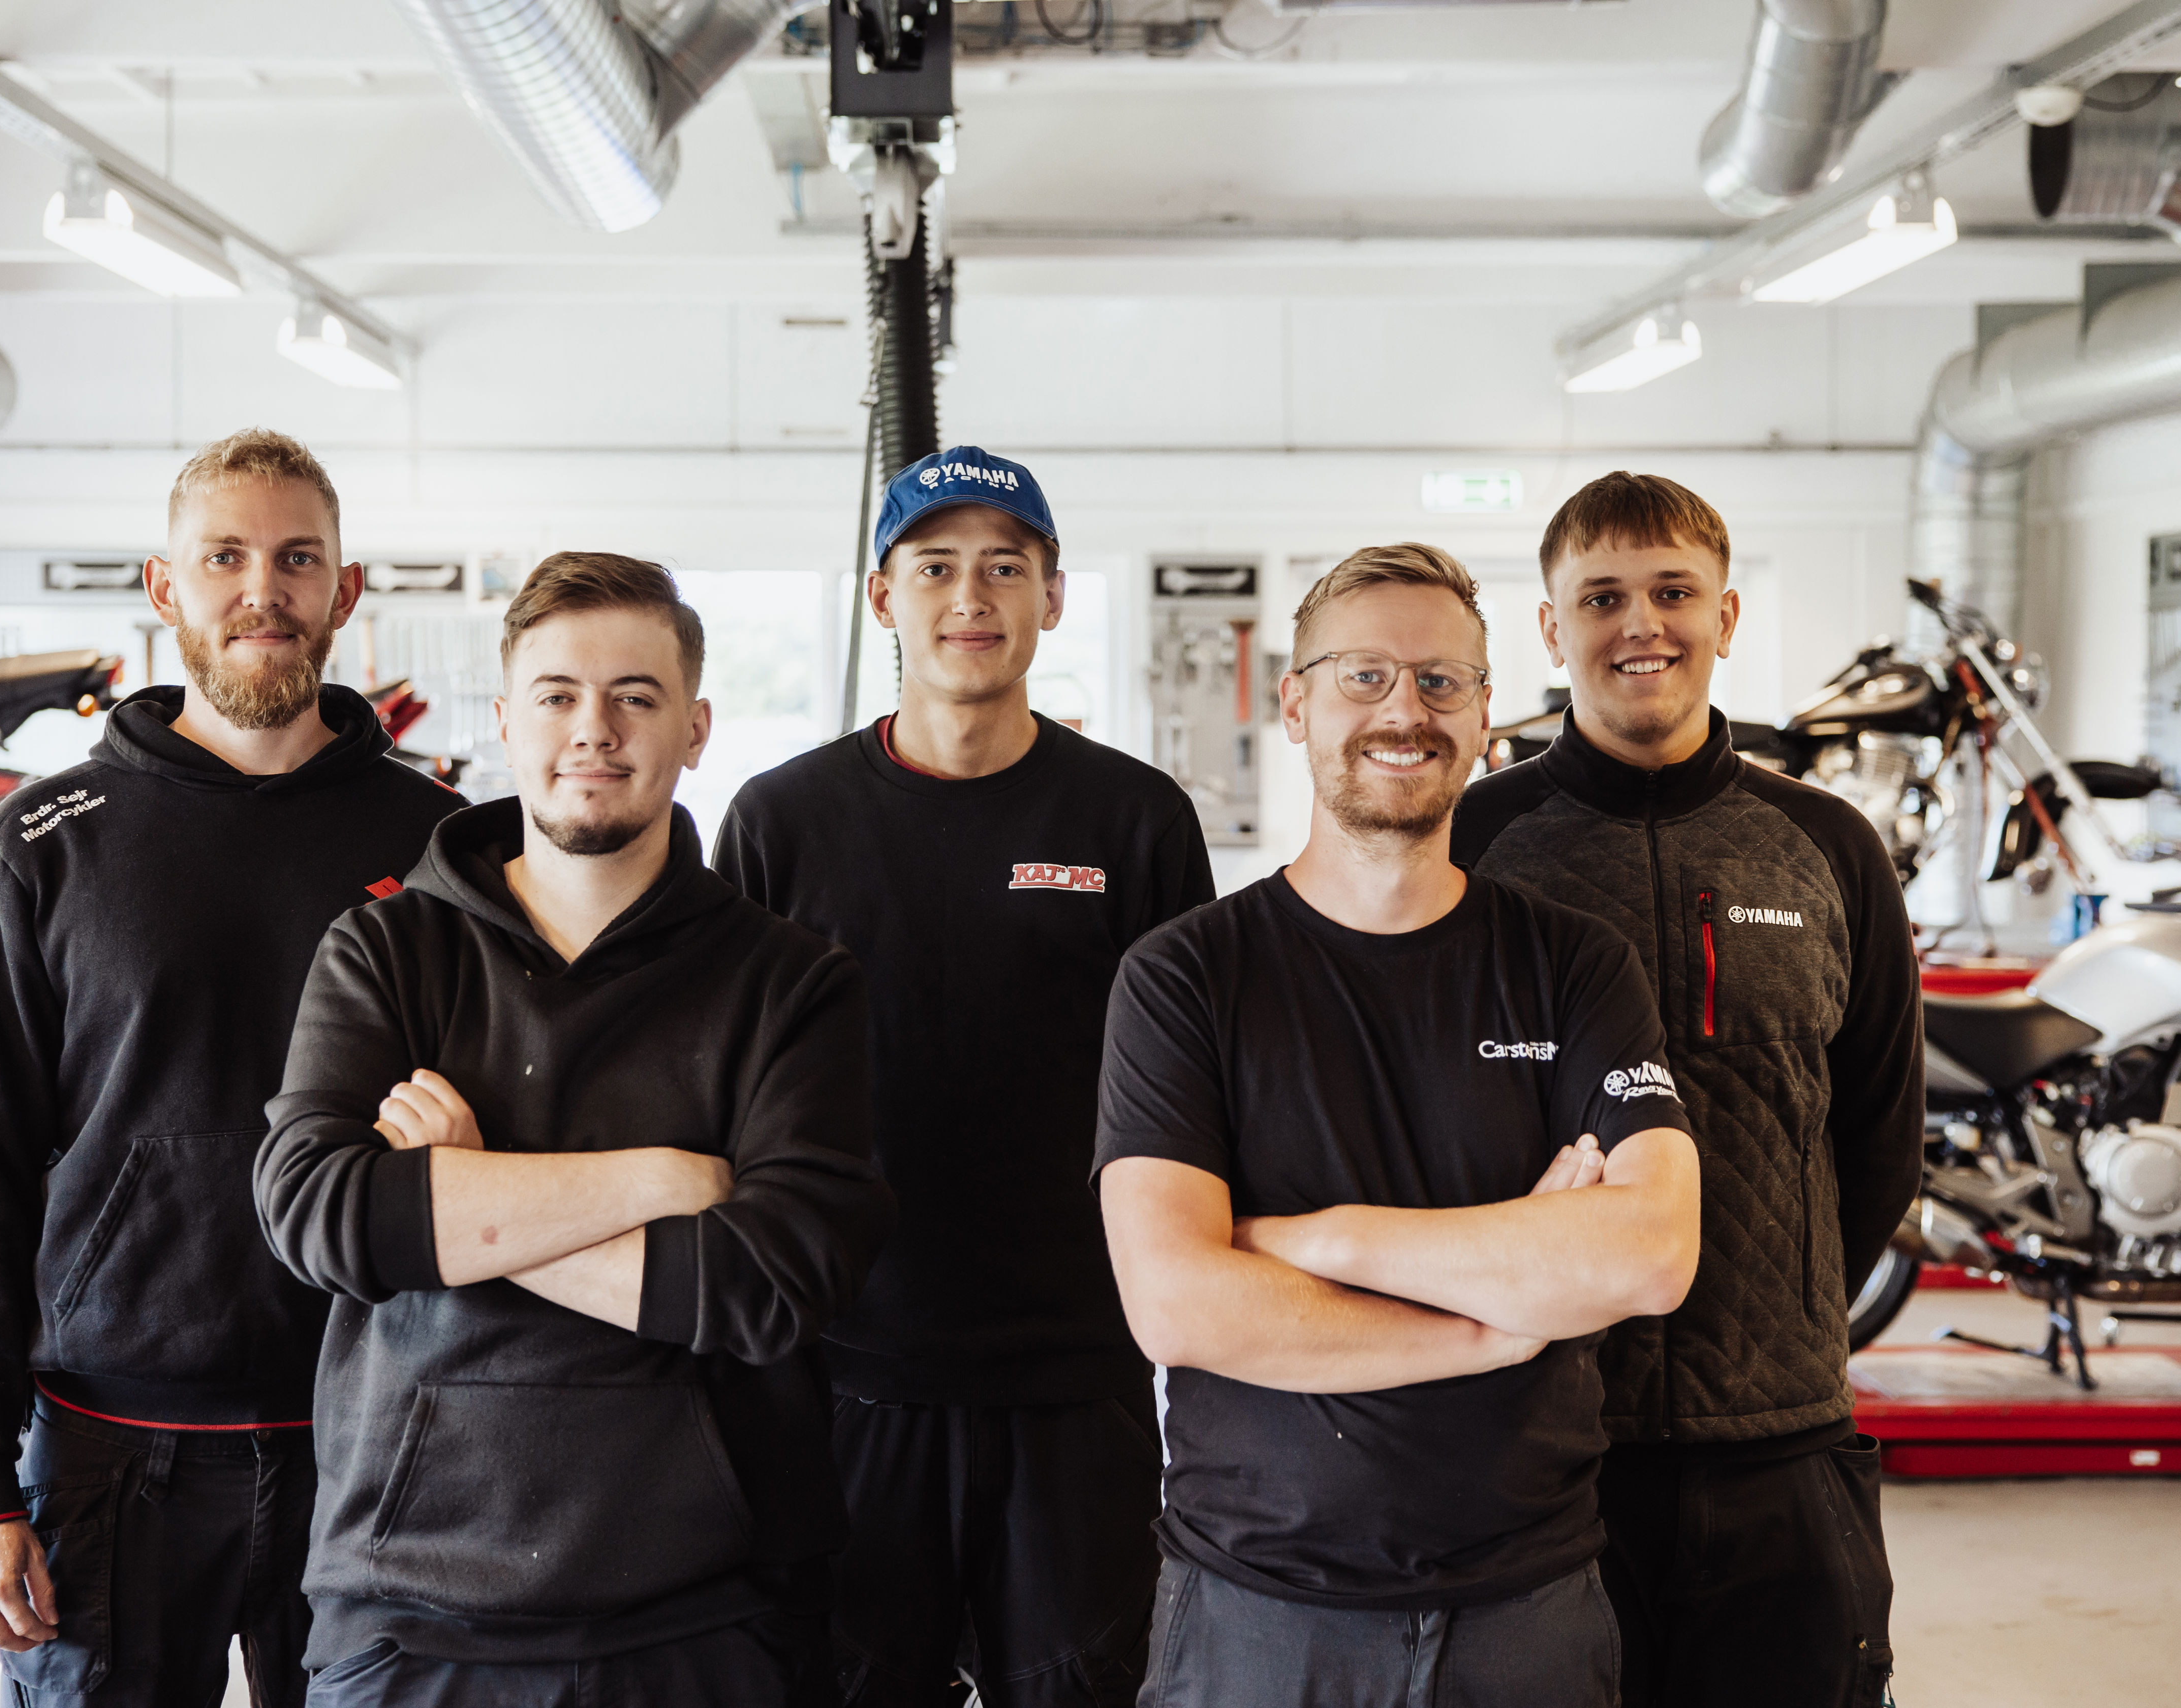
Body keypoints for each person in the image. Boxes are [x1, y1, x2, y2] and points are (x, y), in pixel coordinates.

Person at [255, 552, 896, 1706]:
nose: (593, 729)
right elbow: (318, 1214)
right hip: (410, 1613)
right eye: (557, 695)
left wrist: (462, 1201)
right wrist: (660, 1180)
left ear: (694, 729)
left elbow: (772, 1282)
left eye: (634, 697)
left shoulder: (790, 984)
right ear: (506, 722)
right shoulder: (387, 951)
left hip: (712, 1617)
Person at [1095, 543, 1701, 1708]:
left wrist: (1319, 1240)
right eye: (1362, 675)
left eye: (1439, 681)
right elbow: (1175, 1303)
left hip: (1526, 1611)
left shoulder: (1572, 964)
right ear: (1294, 703)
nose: (1403, 711)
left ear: (1482, 716)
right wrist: (1490, 1326)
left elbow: (1649, 1252)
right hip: (1258, 1614)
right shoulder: (1184, 978)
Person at [0, 428, 461, 1705]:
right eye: (224, 557)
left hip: (376, 1438)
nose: (262, 590)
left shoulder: (440, 843)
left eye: (296, 559)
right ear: (165, 589)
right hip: (109, 1460)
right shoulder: (41, 847)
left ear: (345, 589)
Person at [713, 445, 1212, 1706]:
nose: (970, 596)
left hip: (1078, 1380)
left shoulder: (1134, 821)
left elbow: (1195, 1098)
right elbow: (720, 1096)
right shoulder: (780, 822)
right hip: (846, 1374)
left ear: (1053, 595)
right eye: (934, 567)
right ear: (882, 597)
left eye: (1004, 566)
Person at [1451, 472, 1923, 1708]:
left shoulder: (1827, 846)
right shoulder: (1471, 846)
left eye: (1671, 592)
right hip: (1539, 1435)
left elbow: (1879, 1131)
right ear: (1549, 628)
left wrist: (1784, 1303)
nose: (1639, 625)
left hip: (1781, 1440)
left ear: (1723, 613)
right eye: (1600, 597)